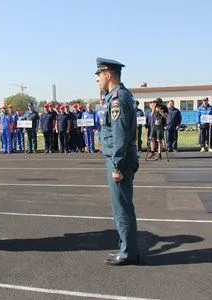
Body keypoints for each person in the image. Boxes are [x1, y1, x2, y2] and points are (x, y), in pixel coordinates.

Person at [95, 57, 139, 266]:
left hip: (119, 160)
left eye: (98, 75)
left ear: (107, 74)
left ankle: (128, 252)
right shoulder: (117, 96)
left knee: (121, 208)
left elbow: (119, 134)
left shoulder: (117, 98)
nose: (97, 80)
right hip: (118, 158)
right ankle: (125, 248)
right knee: (121, 206)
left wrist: (117, 165)